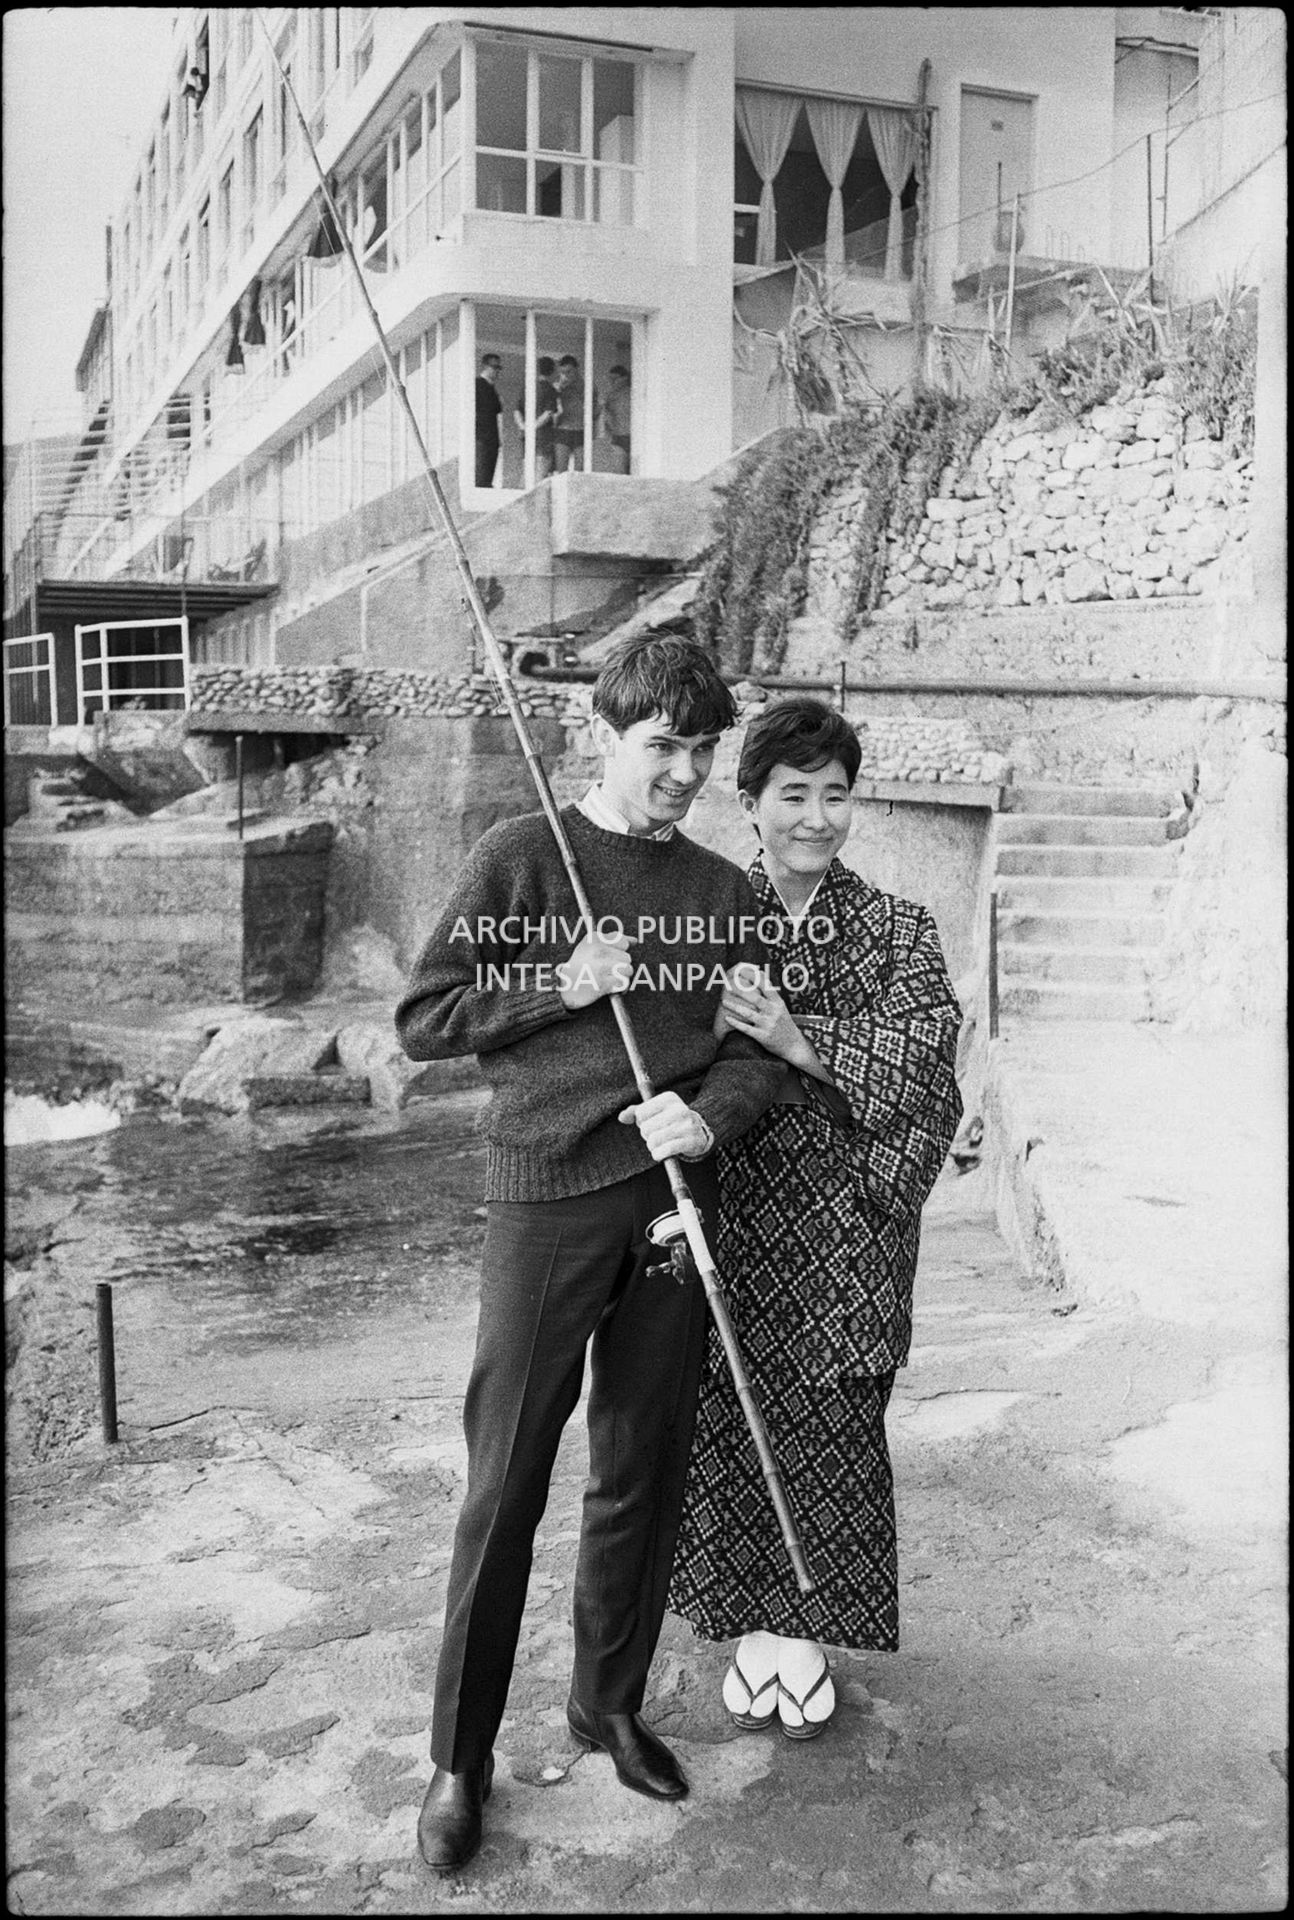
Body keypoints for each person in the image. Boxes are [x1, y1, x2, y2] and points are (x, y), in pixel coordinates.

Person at [396, 635, 787, 1874]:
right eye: (660, 746)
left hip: (673, 1200)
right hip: (547, 1202)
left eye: (701, 750)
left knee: (641, 1466)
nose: (681, 771)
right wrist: (558, 986)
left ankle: (607, 1704)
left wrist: (711, 1112)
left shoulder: (728, 892)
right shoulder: (522, 857)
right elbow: (423, 1020)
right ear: (604, 738)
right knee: (503, 1482)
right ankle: (459, 1759)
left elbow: (756, 1050)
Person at [668, 697, 963, 1740]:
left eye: (835, 796)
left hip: (847, 1230)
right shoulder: (706, 919)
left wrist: (799, 1041)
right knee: (727, 1417)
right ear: (748, 803)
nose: (816, 817)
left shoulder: (895, 929)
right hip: (735, 1220)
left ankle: (802, 1634)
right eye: (792, 794)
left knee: (834, 1422)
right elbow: (664, 1056)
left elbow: (927, 1073)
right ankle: (753, 1631)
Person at [514, 354, 559, 481]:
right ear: (552, 371)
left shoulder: (527, 387)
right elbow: (548, 414)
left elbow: (517, 411)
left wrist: (523, 427)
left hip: (527, 438)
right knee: (539, 478)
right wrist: (532, 428)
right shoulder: (550, 390)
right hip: (543, 439)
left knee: (526, 477)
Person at [474, 351, 503, 487]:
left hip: (492, 438)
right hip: (481, 437)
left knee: (488, 474)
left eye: (499, 368)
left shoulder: (492, 389)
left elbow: (497, 413)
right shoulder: (477, 385)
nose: (497, 371)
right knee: (481, 473)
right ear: (485, 366)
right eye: (494, 367)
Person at [552, 354, 585, 472]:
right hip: (563, 430)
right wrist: (559, 388)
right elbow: (551, 406)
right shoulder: (559, 387)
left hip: (580, 430)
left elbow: (596, 409)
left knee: (580, 470)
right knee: (561, 470)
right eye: (563, 372)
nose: (566, 375)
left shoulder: (586, 386)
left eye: (569, 371)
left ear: (577, 369)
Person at [598, 364, 632, 474]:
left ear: (624, 378)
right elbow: (601, 415)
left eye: (615, 379)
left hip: (634, 437)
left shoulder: (633, 393)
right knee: (620, 471)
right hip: (618, 437)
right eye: (610, 379)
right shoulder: (609, 395)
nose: (612, 382)